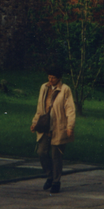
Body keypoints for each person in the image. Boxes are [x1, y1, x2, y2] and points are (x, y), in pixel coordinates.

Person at [30, 63, 76, 194]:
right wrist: (35, 122)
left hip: (58, 126)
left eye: (53, 78)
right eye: (49, 77)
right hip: (45, 125)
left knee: (56, 155)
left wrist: (70, 126)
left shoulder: (65, 90)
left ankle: (56, 182)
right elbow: (40, 108)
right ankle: (49, 176)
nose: (50, 80)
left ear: (59, 78)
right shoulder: (44, 88)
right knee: (42, 152)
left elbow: (70, 109)